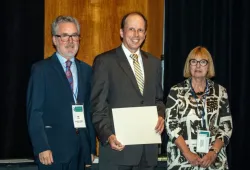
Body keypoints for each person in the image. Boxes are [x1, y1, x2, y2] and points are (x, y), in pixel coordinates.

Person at [91, 12, 165, 170]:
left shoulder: (154, 63)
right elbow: (98, 106)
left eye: (140, 30)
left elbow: (158, 99)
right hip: (117, 151)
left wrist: (160, 115)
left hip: (147, 154)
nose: (136, 34)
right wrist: (108, 135)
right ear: (121, 32)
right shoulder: (105, 62)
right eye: (131, 29)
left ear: (145, 34)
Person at [27, 15, 96, 170]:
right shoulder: (41, 70)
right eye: (64, 36)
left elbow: (88, 112)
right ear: (55, 40)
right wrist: (41, 146)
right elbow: (35, 112)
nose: (70, 41)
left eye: (74, 36)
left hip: (80, 152)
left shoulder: (86, 70)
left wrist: (90, 148)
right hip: (52, 152)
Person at [165, 46, 233, 170]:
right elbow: (171, 126)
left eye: (203, 62)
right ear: (188, 65)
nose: (198, 66)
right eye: (194, 61)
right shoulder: (176, 91)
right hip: (182, 160)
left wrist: (213, 152)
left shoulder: (220, 91)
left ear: (208, 66)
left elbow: (226, 126)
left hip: (214, 160)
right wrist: (187, 153)